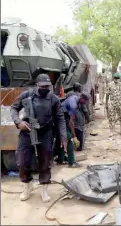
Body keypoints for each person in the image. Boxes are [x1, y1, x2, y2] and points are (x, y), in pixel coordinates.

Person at [10, 73, 68, 203]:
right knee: (22, 161)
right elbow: (14, 108)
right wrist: (19, 122)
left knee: (45, 161)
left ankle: (44, 187)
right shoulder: (27, 95)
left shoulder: (53, 99)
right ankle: (27, 185)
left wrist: (63, 137)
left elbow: (60, 119)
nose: (45, 88)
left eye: (47, 86)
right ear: (37, 85)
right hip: (27, 132)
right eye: (42, 86)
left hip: (45, 133)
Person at [59, 91, 88, 168]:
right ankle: (72, 163)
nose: (85, 103)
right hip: (60, 117)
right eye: (85, 101)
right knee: (69, 139)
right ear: (81, 98)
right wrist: (75, 137)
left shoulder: (76, 99)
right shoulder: (74, 105)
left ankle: (60, 159)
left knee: (64, 137)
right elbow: (72, 123)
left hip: (64, 116)